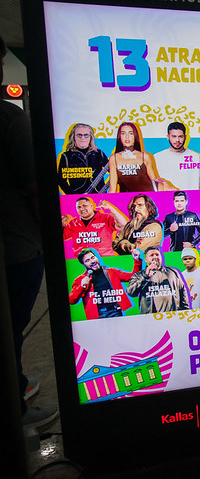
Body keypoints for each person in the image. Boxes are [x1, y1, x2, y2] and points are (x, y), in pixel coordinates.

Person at [0, 34, 58, 427]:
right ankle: (14, 405)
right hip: (17, 247)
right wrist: (53, 243)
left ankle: (16, 384)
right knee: (12, 329)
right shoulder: (9, 118)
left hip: (16, 244)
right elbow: (36, 190)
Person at [68, 248, 142, 319]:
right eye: (87, 260)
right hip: (97, 315)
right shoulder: (81, 280)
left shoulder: (112, 271)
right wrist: (81, 286)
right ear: (83, 264)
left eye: (93, 257)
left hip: (115, 312)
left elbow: (133, 277)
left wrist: (137, 260)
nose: (92, 261)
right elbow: (72, 300)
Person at [127, 246, 191, 313]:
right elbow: (131, 292)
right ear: (146, 259)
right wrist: (145, 276)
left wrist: (185, 312)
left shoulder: (173, 272)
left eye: (157, 255)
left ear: (161, 257)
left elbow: (182, 291)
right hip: (150, 319)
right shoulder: (139, 275)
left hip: (173, 317)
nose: (155, 257)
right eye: (151, 255)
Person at [107, 122, 165, 193]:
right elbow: (112, 187)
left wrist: (165, 183)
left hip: (149, 196)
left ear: (135, 136)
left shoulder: (145, 156)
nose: (127, 137)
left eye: (131, 133)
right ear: (119, 136)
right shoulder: (114, 158)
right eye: (123, 133)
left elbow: (154, 178)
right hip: (128, 198)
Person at [62, 197, 126, 257]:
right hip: (81, 263)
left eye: (84, 205)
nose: (82, 209)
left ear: (91, 206)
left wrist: (110, 208)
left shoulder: (106, 218)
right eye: (79, 207)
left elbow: (123, 225)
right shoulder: (73, 223)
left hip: (105, 259)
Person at [57, 123, 110, 194]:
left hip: (99, 195)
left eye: (86, 135)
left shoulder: (99, 153)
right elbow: (61, 180)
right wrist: (72, 195)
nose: (83, 138)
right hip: (77, 197)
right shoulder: (66, 156)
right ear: (73, 137)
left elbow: (113, 172)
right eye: (79, 135)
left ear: (90, 137)